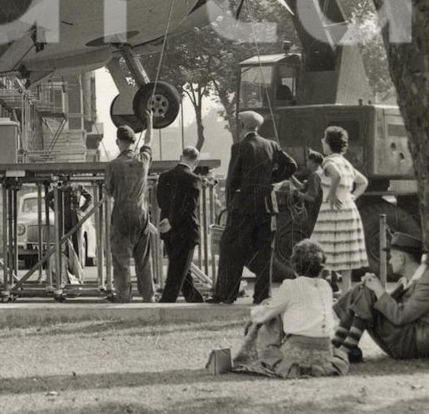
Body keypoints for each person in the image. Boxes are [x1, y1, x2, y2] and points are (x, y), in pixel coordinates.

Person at [211, 110, 297, 305]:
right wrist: (271, 179)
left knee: (231, 249)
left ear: (242, 126)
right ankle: (262, 295)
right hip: (267, 206)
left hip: (244, 207)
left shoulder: (239, 147)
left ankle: (227, 294)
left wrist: (230, 204)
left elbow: (233, 179)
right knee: (265, 252)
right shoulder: (272, 145)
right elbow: (291, 166)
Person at [232, 239, 349, 378]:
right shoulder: (325, 286)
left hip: (297, 350)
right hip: (325, 350)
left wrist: (256, 312)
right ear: (321, 267)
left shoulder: (290, 286)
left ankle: (262, 355)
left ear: (294, 266)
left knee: (269, 314)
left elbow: (264, 316)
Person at [332, 231, 429, 362]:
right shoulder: (410, 280)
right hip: (406, 337)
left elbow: (400, 317)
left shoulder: (427, 283)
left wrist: (378, 290)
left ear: (401, 259)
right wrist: (373, 288)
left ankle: (344, 348)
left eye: (391, 256)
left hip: (413, 343)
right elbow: (387, 307)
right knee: (363, 288)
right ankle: (339, 345)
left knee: (367, 291)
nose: (390, 261)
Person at [310, 125, 369, 292]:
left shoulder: (328, 160)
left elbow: (336, 175)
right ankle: (345, 295)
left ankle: (323, 293)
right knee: (345, 256)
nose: (322, 141)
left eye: (324, 138)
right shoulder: (346, 162)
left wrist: (333, 192)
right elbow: (363, 181)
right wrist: (353, 196)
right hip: (348, 210)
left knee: (322, 252)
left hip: (331, 210)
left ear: (328, 144)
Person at [104, 115, 157, 302]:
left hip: (121, 215)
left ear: (118, 142)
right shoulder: (143, 160)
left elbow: (108, 191)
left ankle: (124, 296)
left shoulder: (112, 165)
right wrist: (149, 121)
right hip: (141, 215)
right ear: (134, 141)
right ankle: (148, 296)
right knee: (143, 261)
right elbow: (149, 140)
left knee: (121, 260)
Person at [156, 146, 204, 304]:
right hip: (186, 230)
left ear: (180, 156)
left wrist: (168, 221)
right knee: (178, 271)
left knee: (181, 269)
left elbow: (161, 202)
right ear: (196, 162)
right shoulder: (194, 179)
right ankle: (167, 302)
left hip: (168, 230)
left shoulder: (164, 177)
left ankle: (196, 300)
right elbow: (189, 207)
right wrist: (174, 222)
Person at [271, 151, 324, 281]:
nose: (306, 164)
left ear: (313, 162)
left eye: (308, 162)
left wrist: (297, 194)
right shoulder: (320, 174)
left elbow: (311, 197)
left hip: (314, 212)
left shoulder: (314, 176)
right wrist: (290, 176)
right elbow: (302, 186)